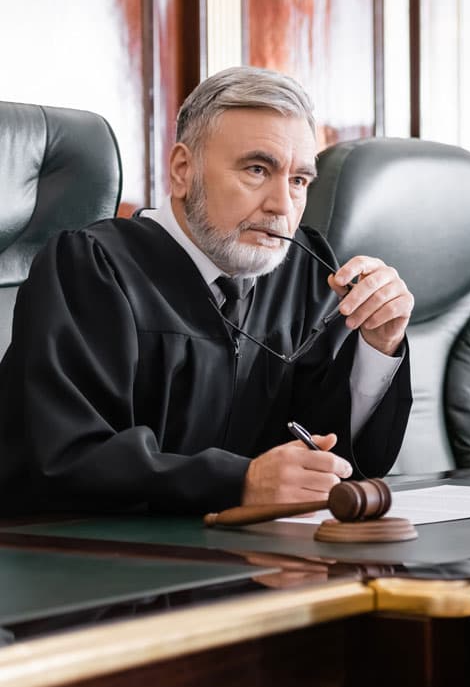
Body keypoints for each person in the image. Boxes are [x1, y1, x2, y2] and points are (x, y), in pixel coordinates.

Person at [0, 66, 414, 514]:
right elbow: (63, 459)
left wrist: (378, 344)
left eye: (298, 181)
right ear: (183, 170)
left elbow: (332, 452)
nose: (282, 206)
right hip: (100, 564)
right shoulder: (92, 269)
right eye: (257, 169)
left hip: (259, 564)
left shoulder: (303, 273)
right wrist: (241, 482)